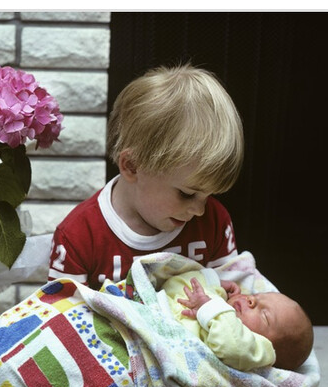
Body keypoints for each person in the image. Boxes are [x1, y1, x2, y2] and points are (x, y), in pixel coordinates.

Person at [48, 63, 244, 290]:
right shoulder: (79, 236)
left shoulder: (214, 223)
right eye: (187, 194)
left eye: (208, 196)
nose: (199, 210)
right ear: (132, 166)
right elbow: (61, 319)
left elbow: (237, 302)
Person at [163, 268, 314, 372]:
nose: (251, 301)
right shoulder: (217, 299)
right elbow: (172, 284)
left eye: (265, 316)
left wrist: (208, 307)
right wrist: (214, 282)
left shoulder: (253, 350)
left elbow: (233, 346)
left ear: (270, 348)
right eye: (256, 296)